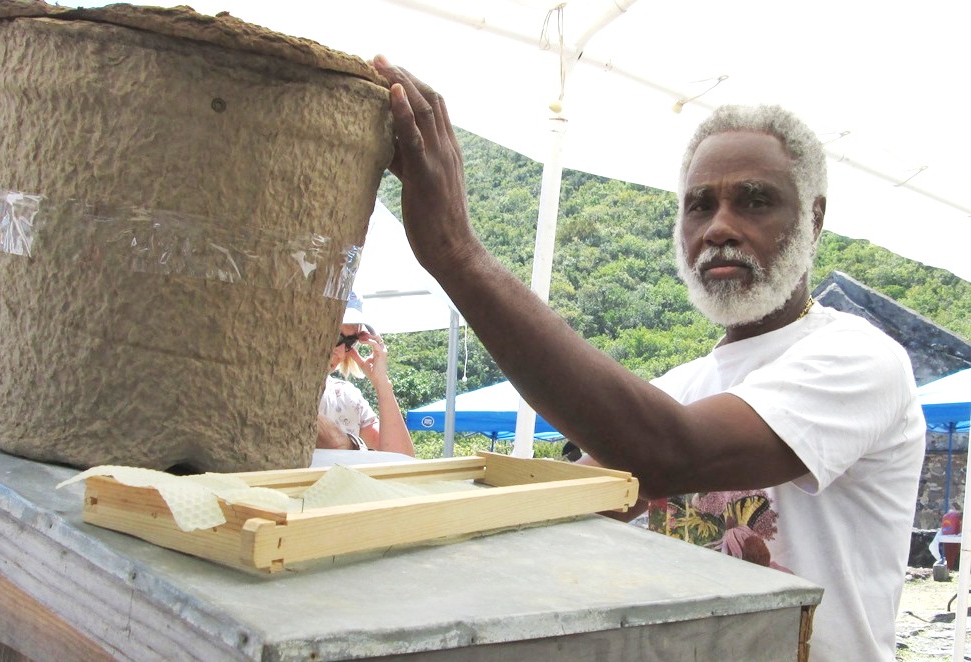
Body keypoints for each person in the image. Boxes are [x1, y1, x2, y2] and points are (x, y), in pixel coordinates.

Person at [370, 55, 924, 661]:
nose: (719, 228)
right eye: (699, 205)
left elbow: (670, 451)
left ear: (813, 220)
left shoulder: (860, 359)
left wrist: (457, 254)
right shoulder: (682, 387)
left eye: (755, 201)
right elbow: (573, 501)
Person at [316, 291, 415, 457]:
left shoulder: (347, 397)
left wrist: (382, 384)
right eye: (334, 336)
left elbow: (400, 461)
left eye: (349, 342)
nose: (340, 352)